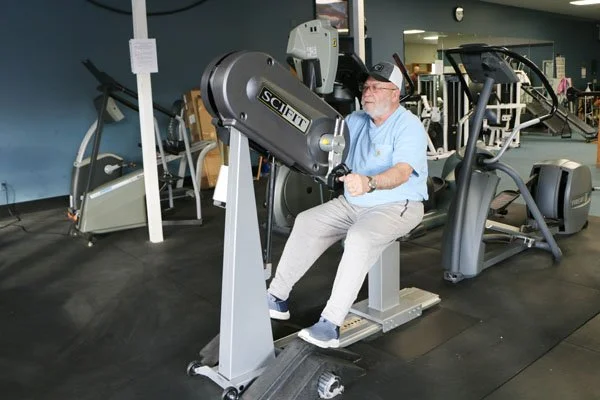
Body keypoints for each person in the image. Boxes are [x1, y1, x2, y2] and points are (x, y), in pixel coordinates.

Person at [267, 61, 429, 349]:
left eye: (376, 87)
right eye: (366, 87)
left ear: (395, 93)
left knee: (359, 238)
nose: (368, 92)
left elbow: (402, 172)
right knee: (307, 221)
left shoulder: (408, 126)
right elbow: (328, 144)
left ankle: (330, 324)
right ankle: (276, 297)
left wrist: (370, 182)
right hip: (354, 202)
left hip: (397, 204)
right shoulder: (355, 120)